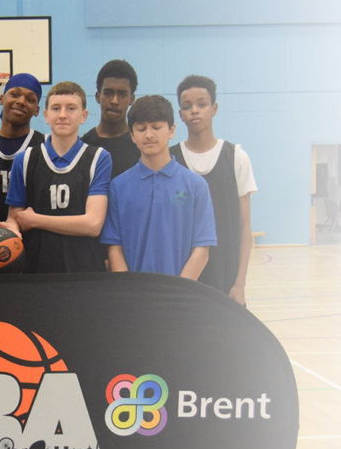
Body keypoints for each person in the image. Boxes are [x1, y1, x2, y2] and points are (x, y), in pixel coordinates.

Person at [100, 95, 216, 279]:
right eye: (141, 128)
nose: (149, 135)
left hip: (180, 294)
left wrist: (180, 291)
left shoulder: (196, 186)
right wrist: (129, 288)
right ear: (132, 135)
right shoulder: (118, 187)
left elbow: (202, 248)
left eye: (156, 127)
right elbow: (115, 247)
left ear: (171, 130)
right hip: (134, 294)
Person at [4, 81, 111, 273]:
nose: (62, 115)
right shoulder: (25, 159)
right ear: (46, 116)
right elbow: (15, 218)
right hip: (36, 266)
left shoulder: (98, 158)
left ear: (84, 116)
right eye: (55, 108)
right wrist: (7, 229)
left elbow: (93, 224)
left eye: (71, 108)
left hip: (84, 267)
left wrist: (36, 220)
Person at [171, 75, 257, 305]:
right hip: (181, 277)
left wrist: (240, 283)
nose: (194, 111)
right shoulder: (170, 159)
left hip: (225, 277)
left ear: (214, 108)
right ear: (180, 115)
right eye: (187, 107)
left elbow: (244, 225)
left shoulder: (236, 157)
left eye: (202, 104)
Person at [0, 73, 45, 222]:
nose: (21, 102)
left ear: (37, 110)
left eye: (30, 99)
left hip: (33, 237)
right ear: (1, 98)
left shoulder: (45, 145)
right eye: (15, 94)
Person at [82, 60, 141, 179]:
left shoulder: (140, 144)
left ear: (132, 99)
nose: (114, 101)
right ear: (98, 97)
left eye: (122, 94)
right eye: (108, 93)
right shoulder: (84, 146)